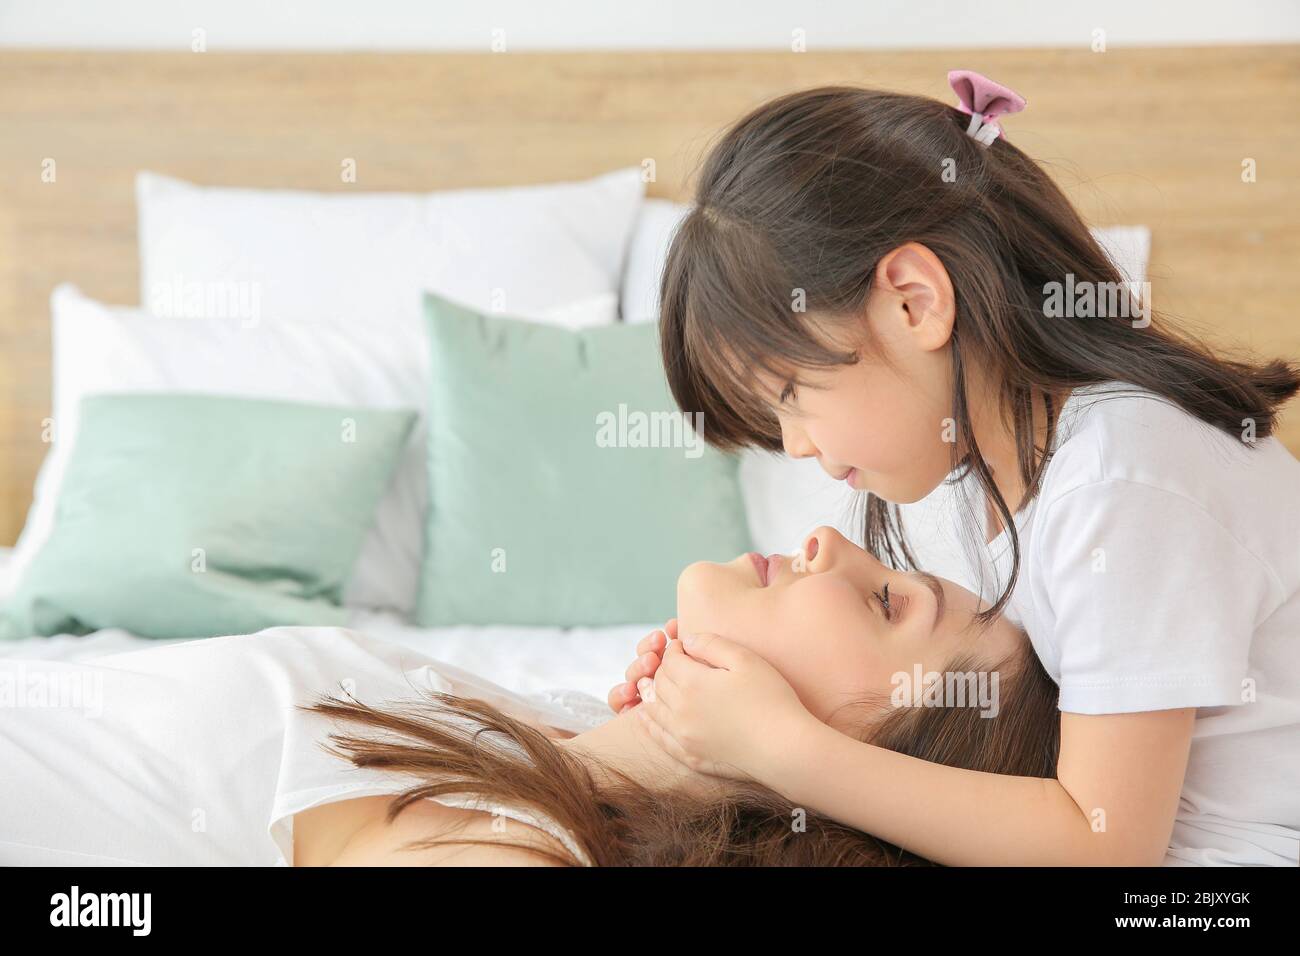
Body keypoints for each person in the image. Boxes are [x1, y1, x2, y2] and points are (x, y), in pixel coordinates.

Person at [613, 74, 1300, 866]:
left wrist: (780, 746)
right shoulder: (976, 471)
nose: (795, 444)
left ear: (914, 302)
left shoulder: (1122, 480)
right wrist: (727, 687)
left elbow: (1103, 847)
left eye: (791, 395)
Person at [0, 530, 1056, 866]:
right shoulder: (553, 730)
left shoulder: (516, 851)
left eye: (884, 599)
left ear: (855, 759)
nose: (833, 539)